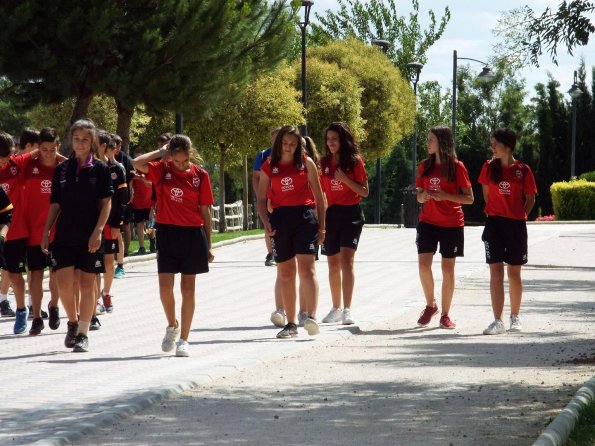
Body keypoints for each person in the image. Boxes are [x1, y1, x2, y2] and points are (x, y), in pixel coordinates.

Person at [132, 134, 214, 357]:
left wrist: (209, 244)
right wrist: (161, 152)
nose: (180, 165)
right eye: (176, 160)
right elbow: (136, 163)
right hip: (167, 232)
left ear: (190, 155)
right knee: (165, 288)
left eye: (184, 161)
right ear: (170, 156)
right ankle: (172, 326)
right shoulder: (162, 169)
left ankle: (185, 340)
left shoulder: (200, 175)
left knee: (188, 289)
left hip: (193, 234)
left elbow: (205, 211)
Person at [42, 119, 113, 352]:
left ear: (92, 141)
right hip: (64, 235)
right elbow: (55, 204)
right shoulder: (62, 170)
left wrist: (98, 232)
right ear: (71, 141)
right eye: (76, 139)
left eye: (84, 139)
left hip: (90, 236)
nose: (80, 143)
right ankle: (71, 323)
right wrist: (46, 231)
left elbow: (106, 204)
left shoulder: (101, 169)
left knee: (86, 283)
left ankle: (83, 333)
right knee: (64, 284)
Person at [256, 125, 326, 339]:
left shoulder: (307, 163)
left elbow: (319, 196)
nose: (288, 147)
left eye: (293, 144)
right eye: (285, 143)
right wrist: (266, 223)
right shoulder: (269, 165)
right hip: (280, 218)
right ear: (279, 144)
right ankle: (291, 323)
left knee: (308, 269)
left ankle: (311, 316)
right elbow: (260, 199)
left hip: (304, 217)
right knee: (286, 272)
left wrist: (322, 226)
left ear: (299, 145)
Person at [415, 125, 474, 329]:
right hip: (428, 222)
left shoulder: (457, 167)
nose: (427, 142)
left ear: (442, 142)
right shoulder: (424, 166)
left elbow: (470, 198)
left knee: (447, 270)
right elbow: (419, 194)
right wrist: (424, 196)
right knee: (423, 266)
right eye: (427, 139)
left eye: (431, 139)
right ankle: (431, 305)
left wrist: (446, 196)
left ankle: (446, 315)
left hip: (452, 223)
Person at [479, 128, 536, 335]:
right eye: (491, 143)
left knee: (514, 272)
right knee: (495, 272)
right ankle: (497, 320)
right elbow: (486, 196)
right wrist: (498, 211)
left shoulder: (523, 170)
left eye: (495, 143)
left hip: (516, 226)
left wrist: (520, 216)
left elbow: (530, 199)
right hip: (494, 224)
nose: (492, 147)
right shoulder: (487, 167)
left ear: (508, 146)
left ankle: (515, 316)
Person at [319, 122, 368, 326]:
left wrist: (345, 179)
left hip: (351, 214)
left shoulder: (355, 162)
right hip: (331, 215)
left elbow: (364, 192)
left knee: (347, 261)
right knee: (332, 264)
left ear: (343, 140)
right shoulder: (323, 163)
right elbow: (321, 193)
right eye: (328, 139)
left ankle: (347, 309)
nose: (331, 143)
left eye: (334, 139)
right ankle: (335, 307)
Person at [23, 127, 64, 335]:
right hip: (34, 232)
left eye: (52, 149)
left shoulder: (63, 167)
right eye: (44, 149)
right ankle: (37, 317)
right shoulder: (29, 165)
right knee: (35, 276)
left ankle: (54, 305)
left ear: (57, 147)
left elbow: (80, 166)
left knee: (55, 274)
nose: (48, 153)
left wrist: (59, 156)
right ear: (38, 148)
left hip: (57, 231)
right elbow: (14, 162)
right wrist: (34, 153)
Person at [1, 128, 39, 334]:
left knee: (15, 275)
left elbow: (37, 151)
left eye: (9, 156)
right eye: (3, 158)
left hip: (14, 232)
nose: (6, 161)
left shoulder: (16, 164)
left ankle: (21, 310)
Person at [252, 128, 287, 327]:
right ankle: (271, 252)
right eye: (274, 140)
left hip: (287, 203)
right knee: (269, 228)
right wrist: (262, 197)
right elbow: (256, 176)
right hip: (269, 198)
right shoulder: (263, 155)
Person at [96, 131, 128, 317]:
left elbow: (123, 199)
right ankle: (94, 298)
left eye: (104, 146)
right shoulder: (87, 166)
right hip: (92, 224)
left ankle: (106, 294)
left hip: (110, 224)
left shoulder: (118, 168)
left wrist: (117, 223)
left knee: (109, 261)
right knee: (93, 264)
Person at [113, 134, 134, 276]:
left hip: (123, 196)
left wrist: (131, 192)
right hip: (110, 198)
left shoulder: (124, 159)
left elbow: (131, 177)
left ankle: (124, 252)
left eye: (119, 146)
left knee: (124, 225)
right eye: (115, 146)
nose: (117, 148)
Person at [130, 170, 156, 254]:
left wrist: (143, 179)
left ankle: (152, 241)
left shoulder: (149, 172)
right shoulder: (134, 174)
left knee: (149, 226)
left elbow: (150, 184)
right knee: (139, 226)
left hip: (149, 204)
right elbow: (131, 188)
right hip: (137, 204)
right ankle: (142, 247)